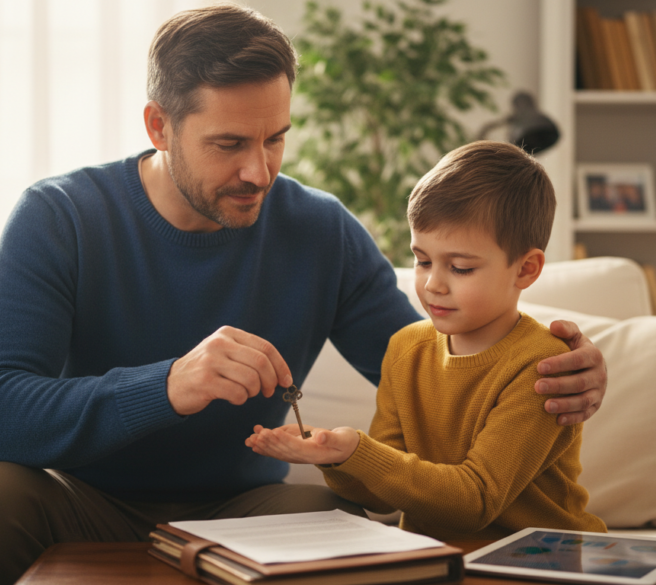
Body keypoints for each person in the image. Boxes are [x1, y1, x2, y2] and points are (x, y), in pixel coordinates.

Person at [0, 5, 608, 584]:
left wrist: (544, 360)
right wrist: (169, 383)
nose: (258, 171)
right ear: (158, 126)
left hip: (242, 505)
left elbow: (431, 366)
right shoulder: (60, 216)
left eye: (276, 138)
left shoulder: (318, 228)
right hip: (81, 494)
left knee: (335, 524)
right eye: (228, 143)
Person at [247, 141, 607, 540]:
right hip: (437, 560)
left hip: (545, 561)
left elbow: (475, 501)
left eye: (460, 267)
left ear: (526, 269)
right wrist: (335, 456)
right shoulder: (406, 349)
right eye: (422, 261)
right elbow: (381, 496)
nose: (433, 284)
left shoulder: (541, 367)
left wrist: (356, 451)